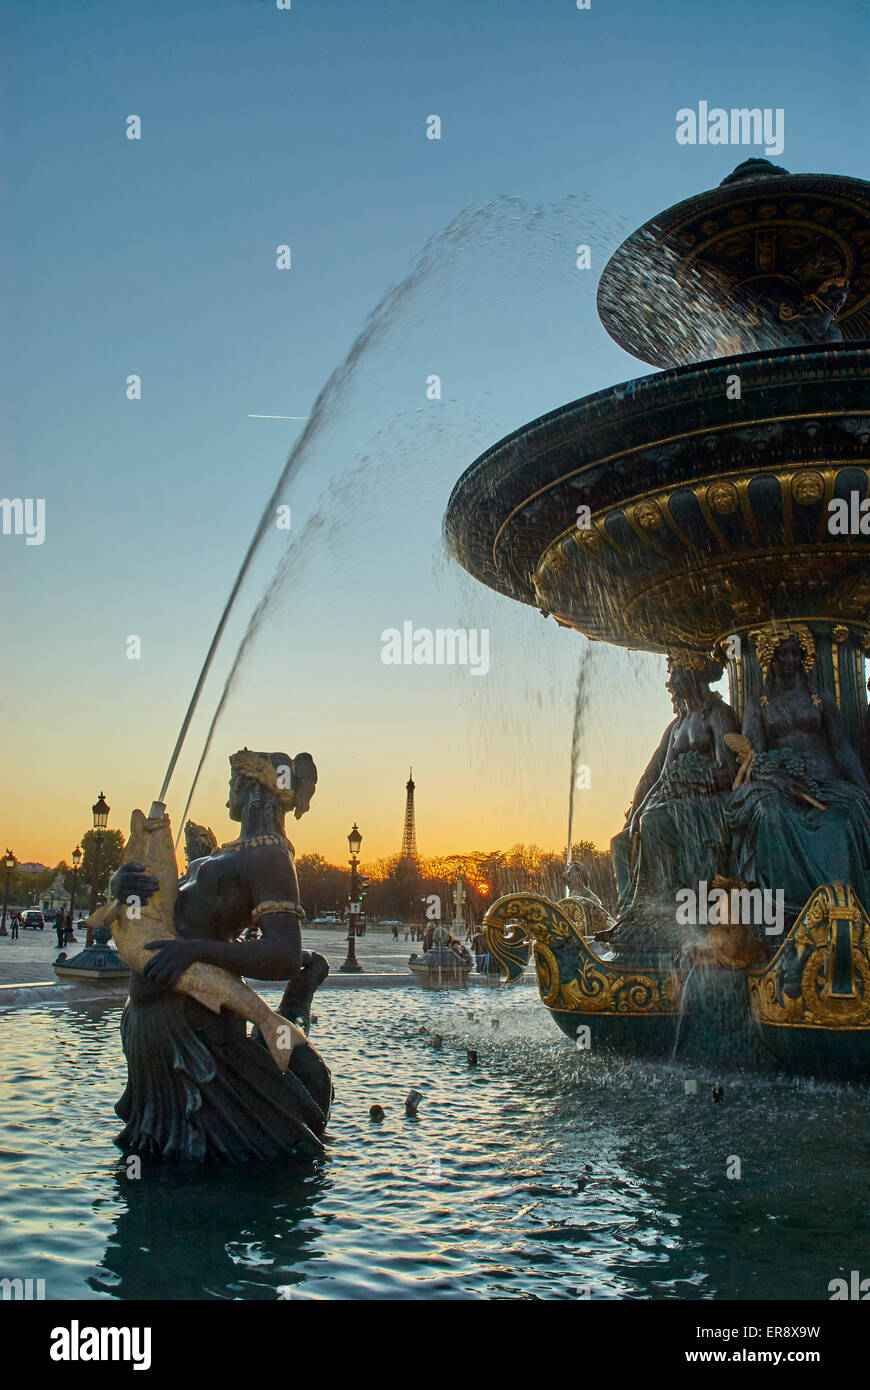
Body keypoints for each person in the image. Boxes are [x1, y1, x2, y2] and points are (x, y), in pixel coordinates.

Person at [109, 747, 332, 1163]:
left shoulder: (270, 856)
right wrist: (121, 887)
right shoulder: (216, 857)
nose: (226, 792)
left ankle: (297, 1005)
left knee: (218, 1162)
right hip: (152, 1025)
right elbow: (154, 914)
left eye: (233, 783)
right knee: (165, 1162)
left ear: (254, 788)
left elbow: (285, 954)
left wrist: (192, 950)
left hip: (197, 1031)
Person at [726, 627, 870, 917]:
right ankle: (784, 912)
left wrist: (864, 789)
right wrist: (777, 777)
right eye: (783, 653)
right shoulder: (759, 703)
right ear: (770, 658)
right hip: (778, 783)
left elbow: (842, 748)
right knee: (770, 816)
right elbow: (751, 757)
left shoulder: (821, 698)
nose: (790, 659)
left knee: (845, 818)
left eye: (796, 652)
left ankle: (844, 911)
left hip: (825, 781)